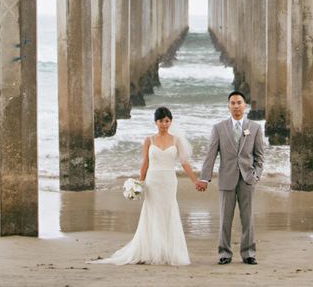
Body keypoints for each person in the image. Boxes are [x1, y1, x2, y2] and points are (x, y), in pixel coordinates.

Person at [90, 106, 198, 266]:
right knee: (152, 212)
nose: (164, 124)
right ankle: (151, 250)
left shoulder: (176, 140)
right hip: (153, 181)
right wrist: (139, 183)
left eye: (167, 121)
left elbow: (184, 162)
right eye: (161, 121)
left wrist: (195, 181)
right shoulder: (149, 140)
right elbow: (145, 163)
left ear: (171, 121)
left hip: (168, 180)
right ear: (156, 122)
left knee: (169, 211)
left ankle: (169, 251)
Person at [196, 90, 264, 265]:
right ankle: (224, 253)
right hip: (227, 178)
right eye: (232, 103)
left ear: (245, 105)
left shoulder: (255, 128)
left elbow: (259, 156)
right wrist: (205, 177)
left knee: (247, 218)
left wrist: (256, 175)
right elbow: (211, 154)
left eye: (239, 102)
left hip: (247, 178)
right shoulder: (219, 128)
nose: (236, 106)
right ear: (228, 106)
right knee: (225, 218)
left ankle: (248, 253)